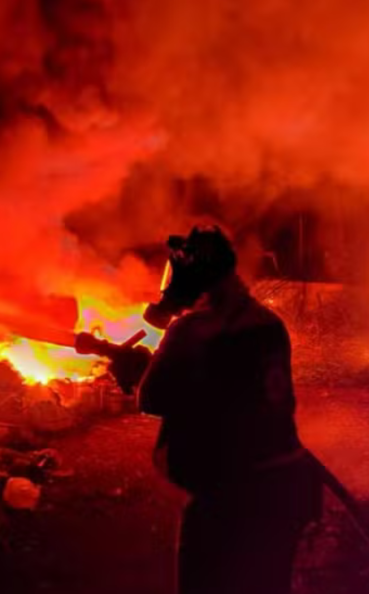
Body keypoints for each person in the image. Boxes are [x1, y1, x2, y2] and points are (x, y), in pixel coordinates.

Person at [137, 225, 323, 594]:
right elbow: (231, 388)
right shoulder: (268, 322)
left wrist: (139, 370)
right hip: (285, 486)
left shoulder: (195, 329)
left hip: (230, 495)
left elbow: (151, 398)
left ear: (192, 277)